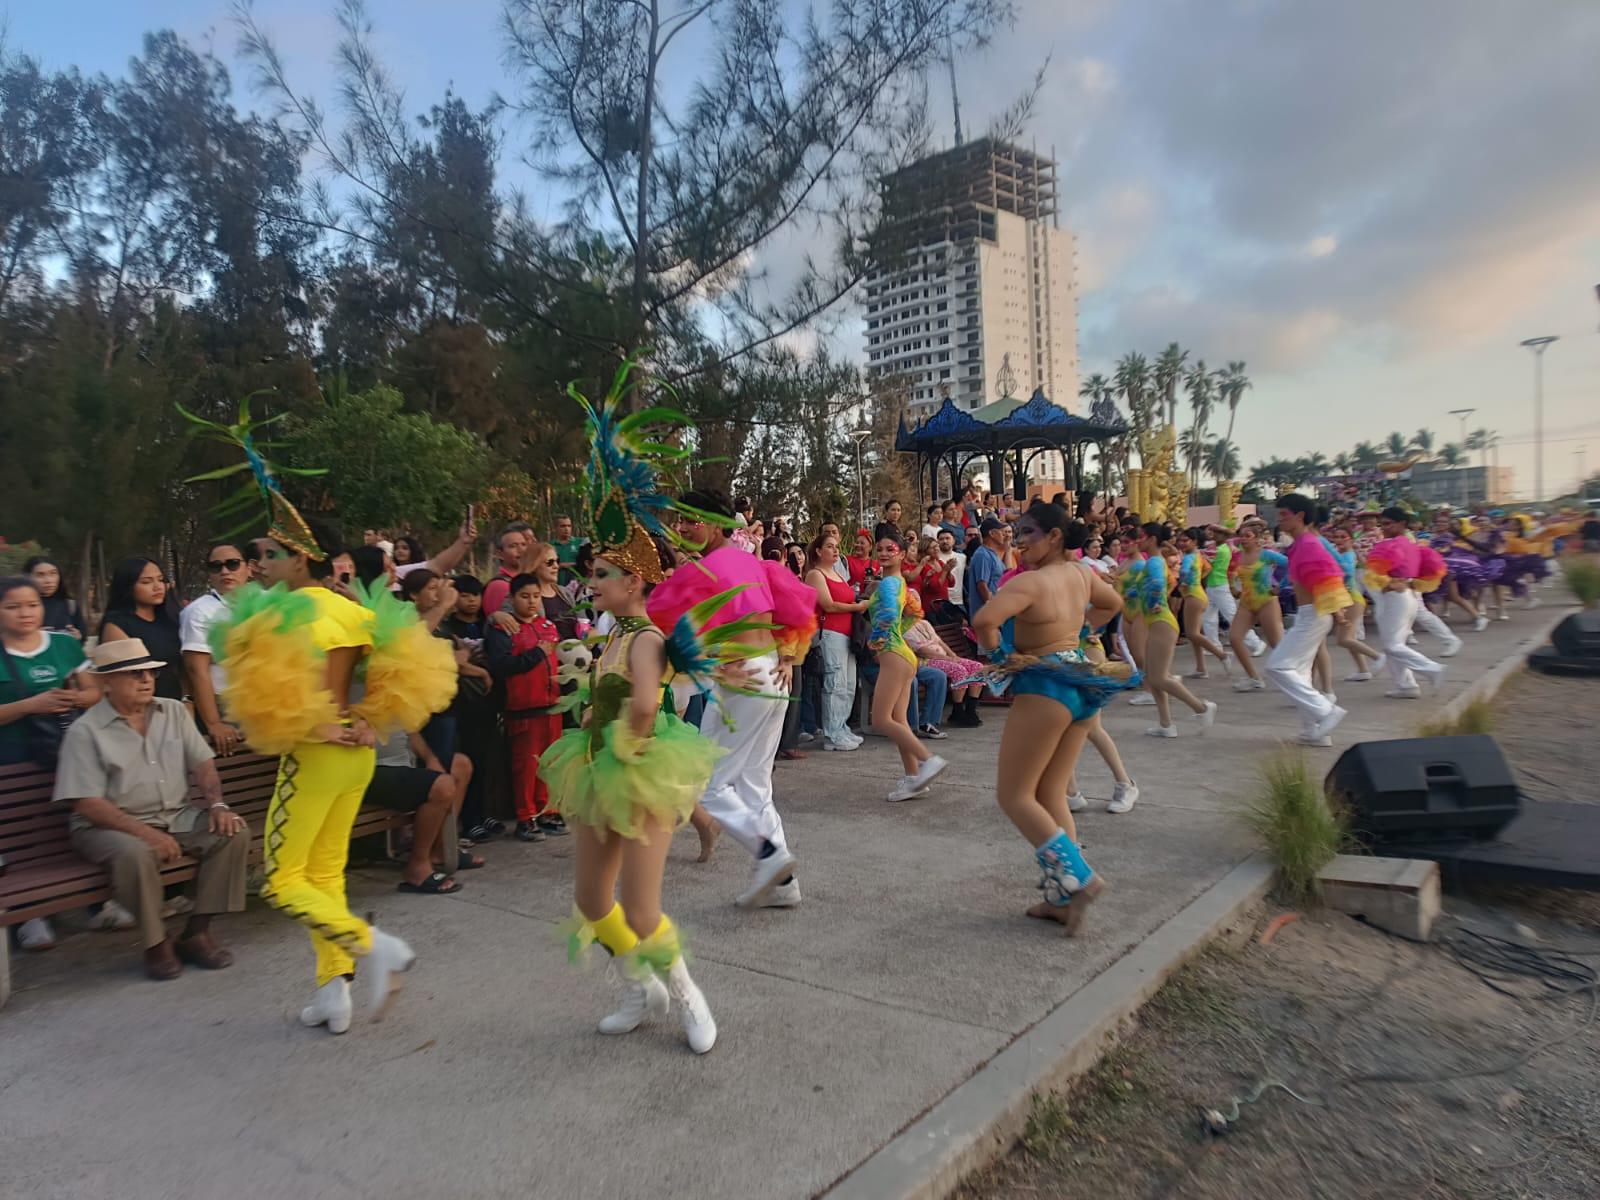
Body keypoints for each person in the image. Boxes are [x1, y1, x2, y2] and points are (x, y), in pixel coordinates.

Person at [213, 469, 455, 1033]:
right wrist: (368, 718)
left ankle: (373, 946)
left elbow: (267, 693)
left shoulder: (284, 613)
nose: (260, 566)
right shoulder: (352, 610)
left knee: (281, 879)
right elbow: (407, 663)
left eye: (270, 555)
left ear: (302, 559)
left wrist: (321, 727)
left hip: (318, 754)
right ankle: (333, 990)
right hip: (356, 751)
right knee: (324, 871)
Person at [541, 374, 727, 1053]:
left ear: (635, 583)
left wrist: (625, 749)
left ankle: (683, 994)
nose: (590, 583)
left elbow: (647, 704)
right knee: (593, 900)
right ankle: (638, 986)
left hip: (638, 769)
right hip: (598, 766)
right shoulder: (612, 634)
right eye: (591, 573)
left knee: (642, 906)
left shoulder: (645, 637)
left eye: (601, 575)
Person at [971, 502, 1137, 935]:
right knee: (1051, 793)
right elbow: (1112, 602)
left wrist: (1000, 658)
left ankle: (1081, 880)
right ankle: (1061, 897)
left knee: (1015, 795)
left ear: (1055, 537)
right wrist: (1079, 633)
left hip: (1046, 687)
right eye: (1017, 532)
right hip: (1082, 682)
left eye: (1027, 532)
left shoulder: (1031, 582)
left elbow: (984, 618)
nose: (1019, 540)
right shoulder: (1082, 575)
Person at [649, 487, 818, 909]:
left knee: (708, 786)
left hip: (743, 680)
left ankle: (772, 857)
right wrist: (783, 657)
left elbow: (657, 619)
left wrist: (705, 660)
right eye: (680, 521)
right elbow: (792, 612)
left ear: (716, 525)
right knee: (755, 785)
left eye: (691, 520)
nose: (683, 528)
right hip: (768, 677)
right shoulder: (749, 562)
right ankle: (782, 884)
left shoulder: (702, 571)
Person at [53, 638, 250, 980]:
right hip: (106, 827)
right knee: (135, 853)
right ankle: (156, 944)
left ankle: (197, 932)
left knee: (233, 833)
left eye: (150, 672)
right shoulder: (86, 731)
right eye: (134, 673)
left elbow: (203, 764)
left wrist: (218, 804)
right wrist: (144, 833)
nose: (146, 679)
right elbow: (86, 802)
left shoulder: (172, 710)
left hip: (174, 815)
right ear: (106, 683)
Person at [0, 576, 100, 952]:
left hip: (63, 749)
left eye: (32, 605)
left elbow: (94, 692)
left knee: (71, 822)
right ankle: (29, 914)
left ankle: (95, 902)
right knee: (22, 834)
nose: (25, 613)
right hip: (9, 759)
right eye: (13, 606)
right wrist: (30, 705)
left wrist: (72, 700)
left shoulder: (63, 644)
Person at [1265, 494, 1353, 746]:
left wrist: (1338, 612)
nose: (1280, 520)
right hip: (1311, 614)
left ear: (1300, 516)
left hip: (1313, 615)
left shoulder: (1309, 545)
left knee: (1277, 667)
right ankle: (1314, 731)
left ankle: (1325, 711)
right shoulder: (1301, 545)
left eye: (1284, 515)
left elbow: (1327, 579)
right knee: (1300, 672)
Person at [866, 532, 947, 802]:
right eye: (880, 549)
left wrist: (877, 639)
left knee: (880, 719)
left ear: (902, 554)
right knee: (899, 721)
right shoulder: (900, 583)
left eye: (890, 549)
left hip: (893, 654)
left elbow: (889, 613)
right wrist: (896, 633)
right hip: (904, 654)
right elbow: (916, 613)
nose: (884, 553)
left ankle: (928, 760)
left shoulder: (889, 583)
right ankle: (914, 778)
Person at [487, 572, 566, 841]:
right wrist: (536, 654)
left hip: (551, 707)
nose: (532, 602)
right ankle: (525, 818)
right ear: (512, 598)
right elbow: (501, 666)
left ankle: (547, 811)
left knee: (549, 764)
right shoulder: (504, 630)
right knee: (525, 768)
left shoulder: (548, 627)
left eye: (535, 596)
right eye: (525, 596)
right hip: (523, 711)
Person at [1128, 524, 1217, 736]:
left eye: (1141, 537)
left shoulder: (1155, 562)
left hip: (1162, 622)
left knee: (1159, 678)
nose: (1137, 541)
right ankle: (1166, 724)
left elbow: (1158, 584)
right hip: (1156, 621)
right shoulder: (1152, 562)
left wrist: (1154, 601)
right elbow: (1144, 588)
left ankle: (1202, 707)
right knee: (1153, 675)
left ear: (1151, 539)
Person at [1365, 508, 1445, 699]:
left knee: (1393, 645)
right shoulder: (1411, 544)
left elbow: (1377, 572)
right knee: (1392, 643)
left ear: (1401, 524)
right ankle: (1406, 685)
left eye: (1387, 524)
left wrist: (1389, 583)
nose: (1383, 528)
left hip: (1397, 596)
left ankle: (1432, 668)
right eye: (1382, 524)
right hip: (1406, 594)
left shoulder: (1393, 545)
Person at [180, 544, 250, 756]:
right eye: (216, 567)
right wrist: (214, 723)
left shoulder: (266, 602)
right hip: (225, 705)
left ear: (249, 568)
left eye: (233, 564)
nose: (225, 571)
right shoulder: (200, 611)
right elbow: (196, 671)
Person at [803, 534, 867, 752]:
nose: (835, 550)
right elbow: (828, 605)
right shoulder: (815, 574)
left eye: (836, 546)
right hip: (830, 633)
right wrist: (857, 608)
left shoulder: (838, 573)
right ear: (819, 551)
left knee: (848, 685)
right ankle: (832, 733)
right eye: (829, 547)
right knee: (835, 683)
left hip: (847, 634)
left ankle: (841, 726)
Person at [99, 557, 184, 700]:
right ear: (128, 586)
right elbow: (127, 680)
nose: (157, 586)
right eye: (146, 582)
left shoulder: (171, 618)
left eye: (160, 580)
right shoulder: (116, 625)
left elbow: (184, 667)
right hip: (138, 705)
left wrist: (188, 700)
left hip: (177, 704)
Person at [1227, 520, 1288, 691]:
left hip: (1266, 600)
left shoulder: (1266, 554)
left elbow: (1291, 565)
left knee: (1277, 643)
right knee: (1234, 638)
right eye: (1241, 536)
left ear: (1257, 538)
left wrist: (1280, 586)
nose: (1243, 539)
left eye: (1248, 536)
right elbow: (1230, 572)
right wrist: (1232, 587)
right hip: (1247, 602)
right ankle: (1254, 678)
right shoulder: (1237, 556)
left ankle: (1294, 679)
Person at [903, 616, 984, 729]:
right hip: (928, 661)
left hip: (944, 657)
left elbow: (940, 641)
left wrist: (953, 656)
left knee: (978, 668)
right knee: (959, 670)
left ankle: (971, 709)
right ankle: (957, 711)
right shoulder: (904, 628)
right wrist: (948, 659)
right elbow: (922, 651)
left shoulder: (924, 623)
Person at [1175, 528, 1229, 678]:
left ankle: (1221, 655)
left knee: (1192, 634)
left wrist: (1184, 582)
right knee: (1195, 634)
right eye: (1180, 540)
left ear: (1194, 542)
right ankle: (1201, 668)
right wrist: (1196, 579)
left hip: (1193, 595)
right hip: (1198, 594)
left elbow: (1184, 571)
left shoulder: (1188, 557)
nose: (1182, 543)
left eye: (1185, 540)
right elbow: (1208, 568)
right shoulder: (1198, 555)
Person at [24, 556, 83, 638]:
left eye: (53, 573)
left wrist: (77, 638)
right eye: (40, 575)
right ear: (28, 577)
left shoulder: (70, 605)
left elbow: (82, 638)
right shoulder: (22, 606)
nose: (48, 580)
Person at [483, 522, 534, 614]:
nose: (521, 550)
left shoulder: (528, 578)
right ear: (500, 554)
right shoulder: (499, 586)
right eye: (513, 546)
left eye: (523, 544)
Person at [965, 518, 1008, 618]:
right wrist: (994, 607)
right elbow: (982, 585)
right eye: (1001, 532)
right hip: (987, 615)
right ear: (992, 533)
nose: (1004, 535)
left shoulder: (991, 553)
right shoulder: (982, 555)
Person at [548, 514, 585, 586]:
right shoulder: (550, 546)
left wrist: (573, 564)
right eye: (563, 526)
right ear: (555, 528)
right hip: (556, 585)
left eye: (569, 526)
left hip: (577, 585)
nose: (566, 529)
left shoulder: (580, 543)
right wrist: (561, 565)